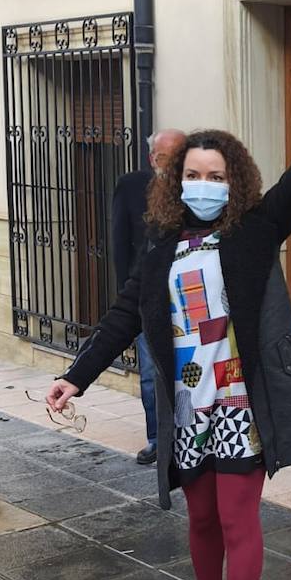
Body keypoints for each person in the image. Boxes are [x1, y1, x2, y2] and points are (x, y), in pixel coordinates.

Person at [45, 96, 291, 580]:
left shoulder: (253, 231)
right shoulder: (162, 242)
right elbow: (126, 312)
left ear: (234, 182)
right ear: (175, 180)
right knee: (199, 519)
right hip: (189, 406)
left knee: (236, 519)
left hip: (240, 402)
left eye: (215, 176)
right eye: (192, 175)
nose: (203, 185)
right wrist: (76, 376)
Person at [111, 128, 187, 466]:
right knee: (149, 374)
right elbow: (119, 244)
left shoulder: (198, 189)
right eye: (162, 157)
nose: (168, 164)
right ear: (151, 158)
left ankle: (187, 436)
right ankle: (158, 439)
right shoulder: (130, 187)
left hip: (188, 300)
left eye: (177, 156)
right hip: (146, 298)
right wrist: (128, 302)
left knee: (187, 372)